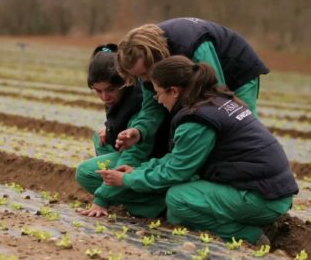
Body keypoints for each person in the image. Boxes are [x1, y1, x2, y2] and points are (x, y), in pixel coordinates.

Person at [97, 55, 298, 245]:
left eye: (158, 93)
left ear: (174, 91)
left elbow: (175, 171)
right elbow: (177, 158)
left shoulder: (197, 120)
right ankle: (253, 221)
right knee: (182, 199)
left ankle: (248, 234)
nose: (158, 100)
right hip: (271, 191)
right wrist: (138, 171)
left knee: (178, 200)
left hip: (262, 198)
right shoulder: (216, 100)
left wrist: (127, 180)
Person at [115, 17, 269, 151]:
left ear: (156, 57)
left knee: (239, 126)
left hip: (237, 71)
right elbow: (152, 107)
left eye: (145, 73)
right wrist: (139, 130)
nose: (145, 79)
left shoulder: (191, 44)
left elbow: (215, 94)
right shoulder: (147, 69)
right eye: (138, 76)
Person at [75, 44, 167, 218]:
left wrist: (100, 200)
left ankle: (153, 204)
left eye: (110, 90)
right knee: (100, 137)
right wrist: (109, 129)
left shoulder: (140, 104)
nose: (104, 97)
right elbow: (117, 121)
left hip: (150, 157)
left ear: (125, 83)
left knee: (85, 173)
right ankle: (124, 195)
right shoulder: (122, 100)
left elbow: (135, 153)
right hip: (134, 153)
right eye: (98, 91)